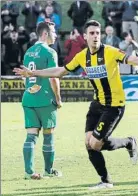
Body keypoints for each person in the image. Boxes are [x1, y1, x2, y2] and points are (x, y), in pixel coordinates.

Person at [14, 20, 138, 189]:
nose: (95, 36)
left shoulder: (110, 52)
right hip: (97, 104)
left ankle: (110, 175)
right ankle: (121, 154)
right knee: (89, 143)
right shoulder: (82, 56)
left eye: (97, 33)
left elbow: (135, 60)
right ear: (85, 36)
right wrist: (32, 72)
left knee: (95, 144)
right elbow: (59, 71)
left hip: (114, 105)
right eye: (92, 33)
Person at [20, 21, 62, 180]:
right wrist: (58, 99)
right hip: (45, 98)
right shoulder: (50, 52)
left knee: (31, 135)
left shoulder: (28, 52)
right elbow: (54, 77)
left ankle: (28, 172)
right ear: (45, 34)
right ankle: (48, 170)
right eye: (53, 31)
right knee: (48, 135)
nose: (56, 34)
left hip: (29, 98)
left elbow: (25, 78)